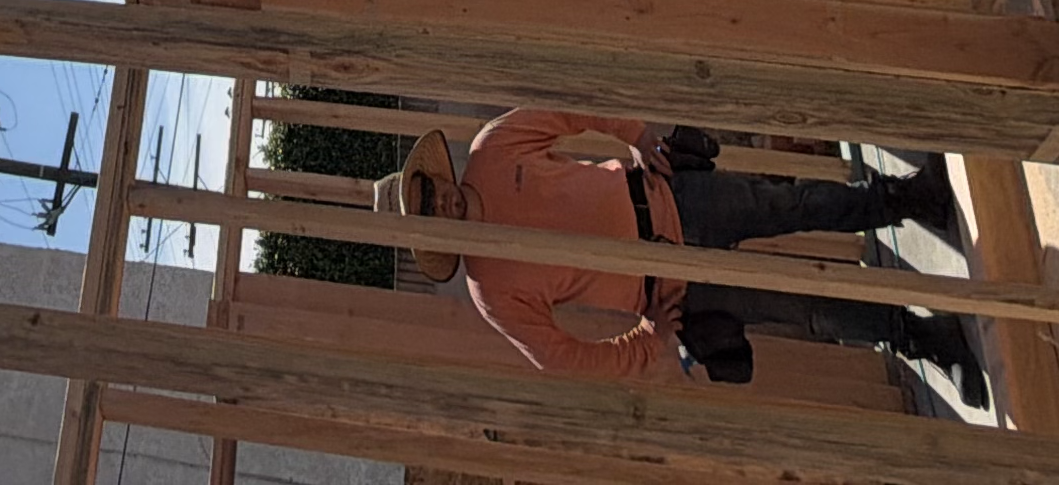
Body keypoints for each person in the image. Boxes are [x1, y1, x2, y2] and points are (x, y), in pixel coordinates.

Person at [373, 112, 985, 400]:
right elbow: (562, 360)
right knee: (804, 311)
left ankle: (905, 198)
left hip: (668, 197)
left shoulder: (494, 147)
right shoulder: (490, 289)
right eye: (426, 211)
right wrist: (649, 340)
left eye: (428, 189)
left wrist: (638, 137)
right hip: (667, 289)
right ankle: (924, 338)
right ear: (431, 236)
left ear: (436, 174)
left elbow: (570, 109)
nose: (441, 202)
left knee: (788, 204)